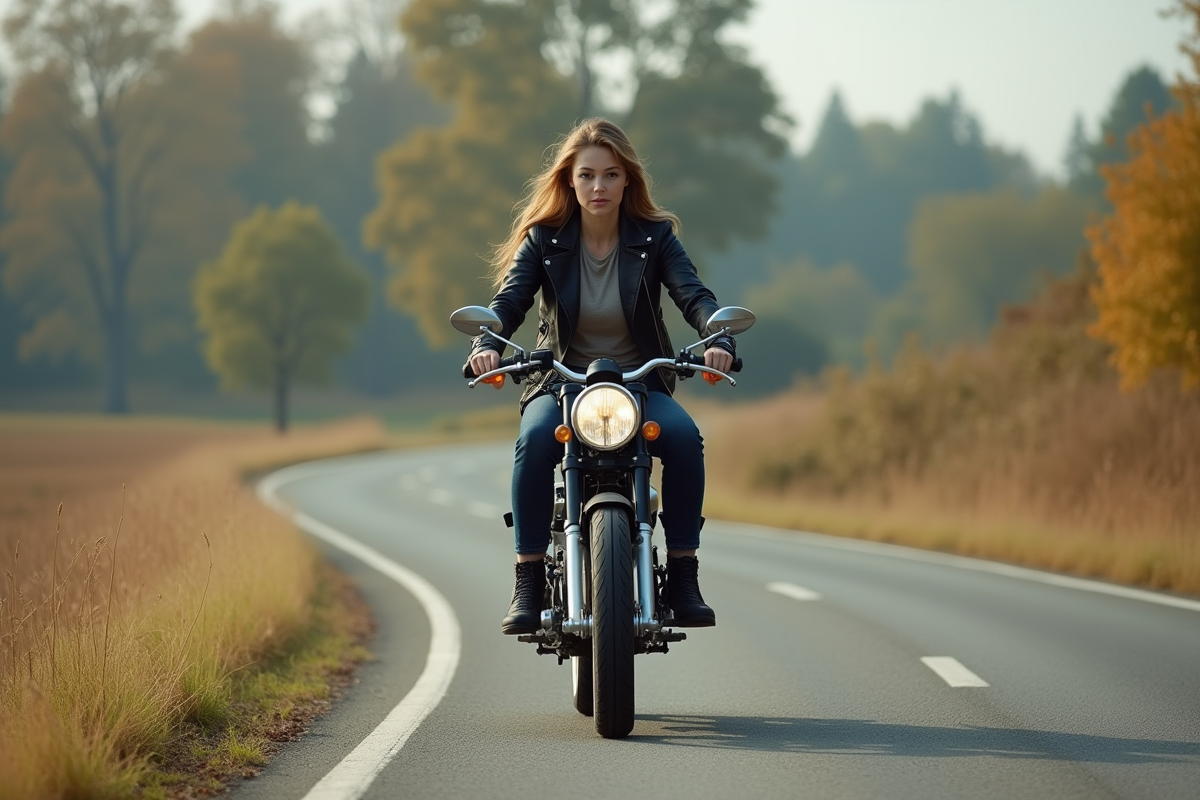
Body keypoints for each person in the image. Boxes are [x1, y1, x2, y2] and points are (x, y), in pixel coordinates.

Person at [468, 118, 737, 636]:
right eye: (587, 175)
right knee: (534, 441)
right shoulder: (542, 240)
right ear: (569, 179)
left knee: (684, 439)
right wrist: (487, 342)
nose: (599, 187)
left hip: (638, 382)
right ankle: (527, 577)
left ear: (627, 181)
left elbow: (694, 296)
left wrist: (718, 337)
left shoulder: (656, 239)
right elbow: (509, 302)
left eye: (611, 175)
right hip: (560, 382)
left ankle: (683, 573)